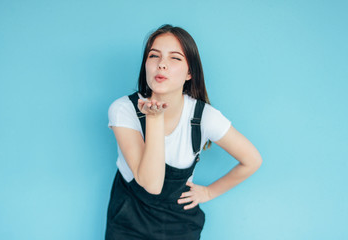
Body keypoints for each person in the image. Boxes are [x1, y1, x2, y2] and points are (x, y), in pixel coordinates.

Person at [105, 24, 262, 240]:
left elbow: (252, 160)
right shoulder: (124, 109)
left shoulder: (204, 117)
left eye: (175, 58)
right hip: (128, 222)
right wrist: (154, 119)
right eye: (154, 56)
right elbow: (151, 184)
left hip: (180, 226)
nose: (162, 64)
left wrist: (208, 192)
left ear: (190, 72)